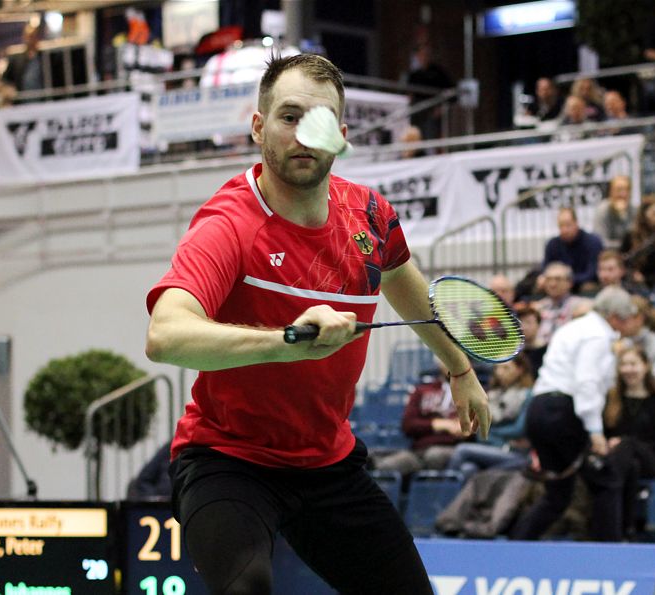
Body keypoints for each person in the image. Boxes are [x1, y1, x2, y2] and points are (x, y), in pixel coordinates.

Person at [145, 54, 490, 595]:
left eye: (320, 121)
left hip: (328, 463)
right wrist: (287, 344)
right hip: (228, 459)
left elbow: (403, 283)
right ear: (258, 126)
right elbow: (166, 335)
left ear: (341, 134)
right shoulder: (230, 224)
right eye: (289, 116)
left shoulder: (370, 216)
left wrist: (459, 367)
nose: (304, 134)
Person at [510, 287, 638, 542]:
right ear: (614, 316)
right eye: (625, 318)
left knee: (558, 494)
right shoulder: (597, 336)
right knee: (607, 480)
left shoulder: (573, 328)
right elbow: (586, 383)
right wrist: (595, 432)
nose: (627, 325)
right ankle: (609, 552)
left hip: (539, 410)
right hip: (562, 413)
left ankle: (517, 544)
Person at [603, 347, 655, 537]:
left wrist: (625, 442)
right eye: (623, 364)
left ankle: (614, 527)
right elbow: (605, 433)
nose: (628, 369)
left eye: (633, 364)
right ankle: (626, 529)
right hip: (621, 460)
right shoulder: (612, 399)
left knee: (627, 445)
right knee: (629, 465)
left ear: (646, 366)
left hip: (649, 459)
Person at [542, 207, 604, 291]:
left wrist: (568, 280)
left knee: (588, 287)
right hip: (559, 283)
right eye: (561, 226)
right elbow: (546, 269)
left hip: (582, 283)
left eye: (568, 225)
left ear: (576, 223)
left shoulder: (593, 242)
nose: (564, 230)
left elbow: (593, 273)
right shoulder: (552, 244)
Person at [532, 262, 593, 347]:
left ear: (570, 283)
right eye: (549, 279)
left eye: (558, 279)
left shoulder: (580, 304)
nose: (552, 284)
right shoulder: (538, 307)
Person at [2, 24, 45, 103]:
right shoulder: (16, 59)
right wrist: (8, 90)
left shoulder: (44, 57)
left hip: (42, 102)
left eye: (32, 37)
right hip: (22, 103)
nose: (29, 40)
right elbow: (5, 80)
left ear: (37, 38)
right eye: (28, 37)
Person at [593, 175, 636, 248]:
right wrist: (624, 245)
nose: (622, 194)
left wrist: (623, 215)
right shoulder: (602, 210)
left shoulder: (634, 210)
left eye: (626, 190)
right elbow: (600, 241)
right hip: (609, 254)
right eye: (619, 190)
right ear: (611, 192)